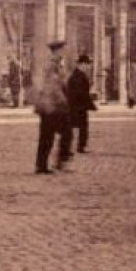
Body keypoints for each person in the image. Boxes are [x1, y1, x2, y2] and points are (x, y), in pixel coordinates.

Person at [33, 40, 72, 174]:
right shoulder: (52, 65)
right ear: (58, 51)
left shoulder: (55, 64)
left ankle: (45, 165)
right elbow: (53, 86)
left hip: (50, 105)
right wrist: (64, 101)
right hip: (51, 106)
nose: (65, 52)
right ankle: (54, 163)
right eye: (63, 49)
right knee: (58, 134)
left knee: (49, 136)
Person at [68, 54, 98, 153]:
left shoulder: (78, 74)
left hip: (78, 105)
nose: (89, 66)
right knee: (80, 126)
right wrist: (90, 102)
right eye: (88, 64)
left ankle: (79, 146)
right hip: (78, 106)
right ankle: (79, 147)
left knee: (79, 126)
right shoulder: (78, 76)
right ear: (83, 64)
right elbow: (80, 92)